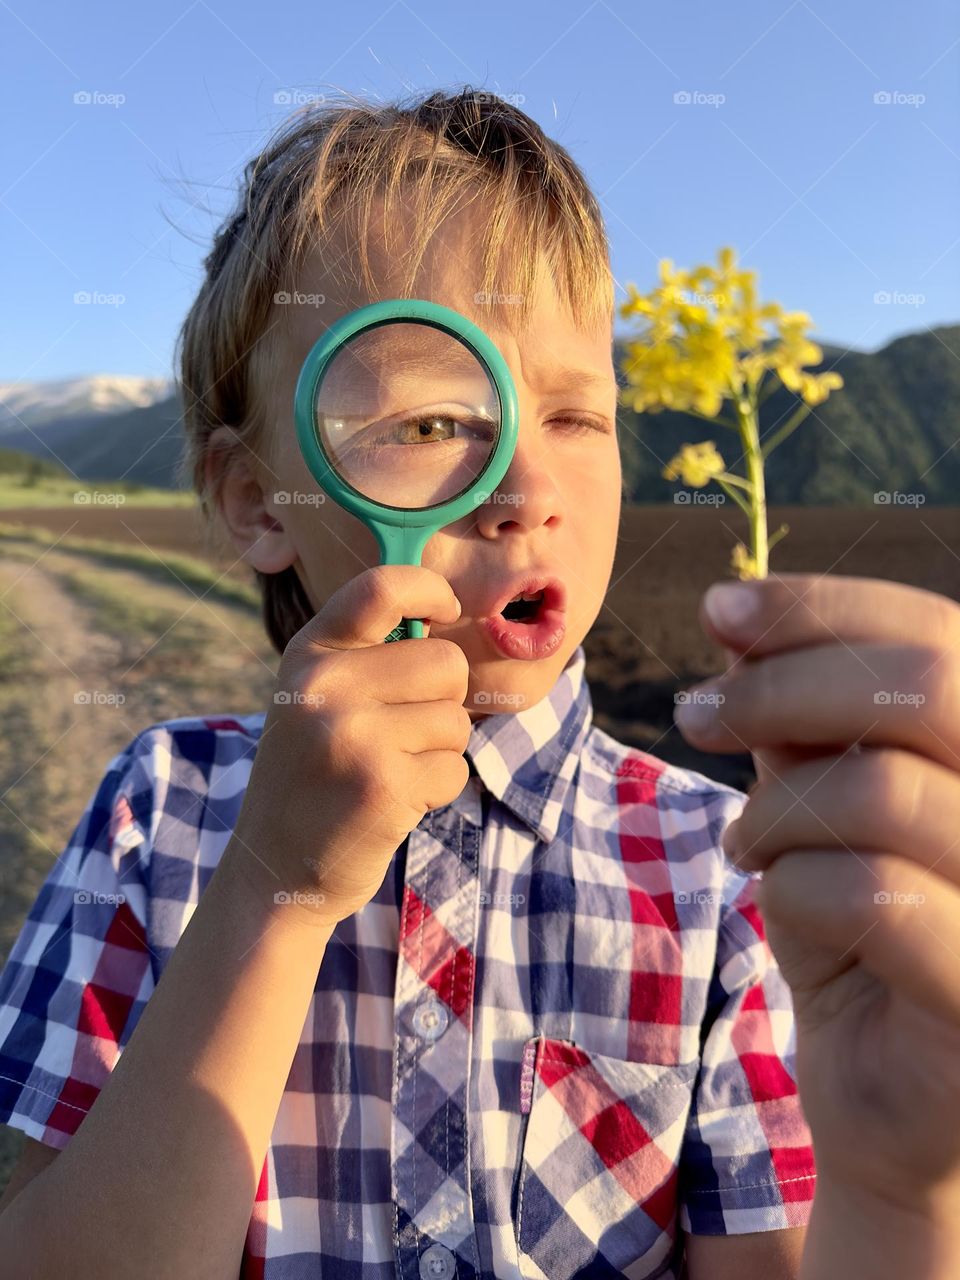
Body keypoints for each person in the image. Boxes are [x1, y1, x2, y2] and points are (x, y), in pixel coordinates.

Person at [0, 86, 958, 1280]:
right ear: (258, 500)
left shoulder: (731, 871)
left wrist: (904, 1187)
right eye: (438, 420)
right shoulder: (164, 814)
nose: (528, 484)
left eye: (575, 412)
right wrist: (271, 891)